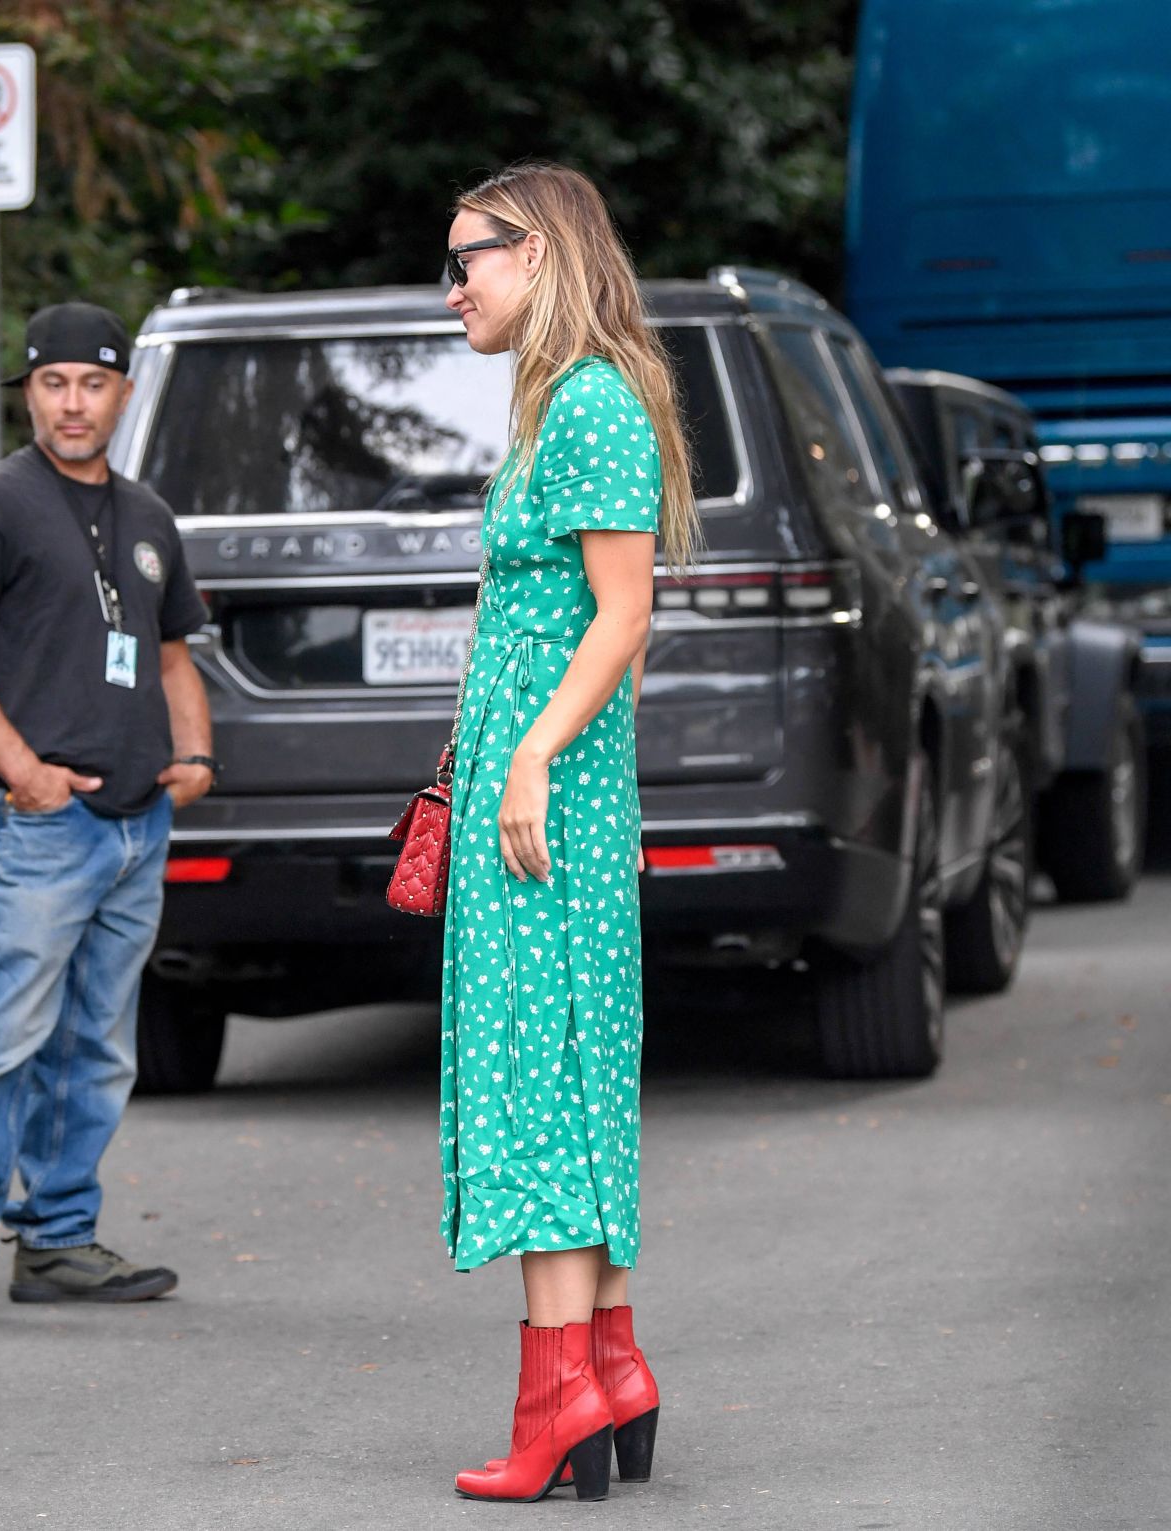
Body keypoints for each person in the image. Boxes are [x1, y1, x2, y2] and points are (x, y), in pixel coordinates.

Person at [438, 163, 700, 1503]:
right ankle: (607, 1366)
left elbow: (621, 614)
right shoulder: (566, 400)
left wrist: (529, 754)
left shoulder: (587, 399)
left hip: (551, 798)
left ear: (533, 254)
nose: (454, 288)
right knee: (573, 1066)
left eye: (467, 259)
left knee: (544, 1072)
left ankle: (558, 1401)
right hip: (549, 790)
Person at [0, 302, 215, 1335]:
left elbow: (170, 655)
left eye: (93, 383)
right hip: (40, 828)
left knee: (97, 1046)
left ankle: (61, 1240)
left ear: (123, 393)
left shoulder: (149, 516)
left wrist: (195, 753)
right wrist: (23, 770)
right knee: (1, 1041)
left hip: (134, 828)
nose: (73, 403)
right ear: (28, 391)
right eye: (53, 383)